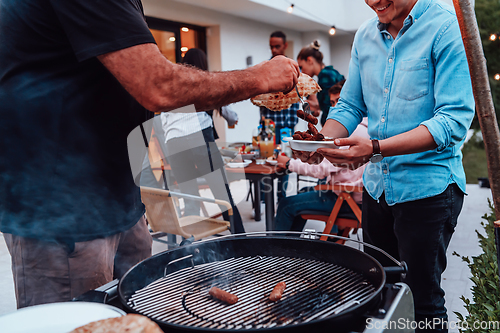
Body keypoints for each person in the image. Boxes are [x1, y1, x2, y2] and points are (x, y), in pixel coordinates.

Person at [0, 0, 299, 308]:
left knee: (138, 313)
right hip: (64, 213)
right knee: (79, 320)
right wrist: (259, 77)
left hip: (119, 199)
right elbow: (159, 85)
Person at [296, 0, 474, 331]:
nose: (373, 1)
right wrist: (321, 141)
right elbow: (349, 105)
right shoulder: (364, 36)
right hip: (377, 192)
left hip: (429, 192)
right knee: (381, 294)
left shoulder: (445, 28)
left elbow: (453, 120)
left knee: (422, 302)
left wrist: (375, 149)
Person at [159, 48, 245, 233]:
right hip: (198, 137)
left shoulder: (173, 83)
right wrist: (233, 119)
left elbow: (162, 116)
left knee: (190, 199)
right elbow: (229, 113)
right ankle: (242, 244)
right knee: (223, 196)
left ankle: (190, 247)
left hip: (173, 143)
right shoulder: (206, 82)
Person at [274, 119, 368, 232]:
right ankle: (293, 245)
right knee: (303, 191)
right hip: (358, 197)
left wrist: (289, 163)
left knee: (285, 205)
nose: (334, 106)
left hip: (346, 199)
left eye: (337, 101)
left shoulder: (352, 131)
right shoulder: (368, 130)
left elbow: (321, 168)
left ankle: (275, 248)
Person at [260, 31, 300, 204]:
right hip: (268, 126)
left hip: (286, 126)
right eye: (271, 46)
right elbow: (259, 99)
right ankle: (264, 199)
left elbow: (297, 98)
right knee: (265, 161)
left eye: (277, 46)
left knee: (283, 163)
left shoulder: (292, 67)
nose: (274, 49)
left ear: (285, 45)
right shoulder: (263, 68)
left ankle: (281, 199)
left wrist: (290, 126)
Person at [297, 40, 345, 126]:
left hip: (334, 126)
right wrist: (317, 106)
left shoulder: (325, 76)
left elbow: (330, 108)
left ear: (309, 60)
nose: (301, 71)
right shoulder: (330, 72)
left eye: (301, 67)